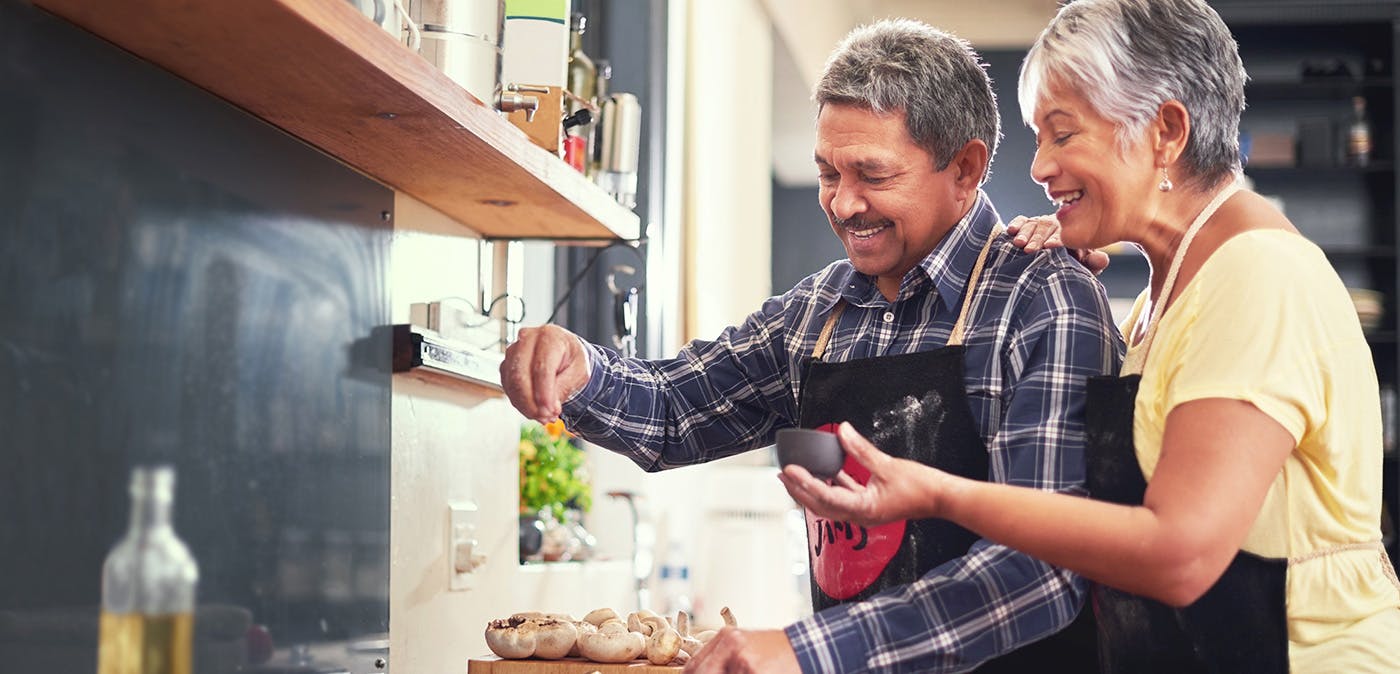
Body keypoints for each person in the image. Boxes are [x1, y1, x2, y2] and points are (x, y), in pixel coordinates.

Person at [779, 1, 1400, 672]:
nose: (1040, 166)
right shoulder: (1160, 300)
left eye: (1063, 133)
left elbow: (1181, 553)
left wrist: (936, 493)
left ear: (1164, 130)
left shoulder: (1257, 275)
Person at [502, 17, 1121, 674]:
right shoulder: (819, 312)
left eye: (872, 175)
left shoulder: (1043, 298)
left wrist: (808, 649)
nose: (844, 204)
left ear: (964, 167)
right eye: (828, 172)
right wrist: (581, 371)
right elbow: (673, 409)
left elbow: (1045, 570)